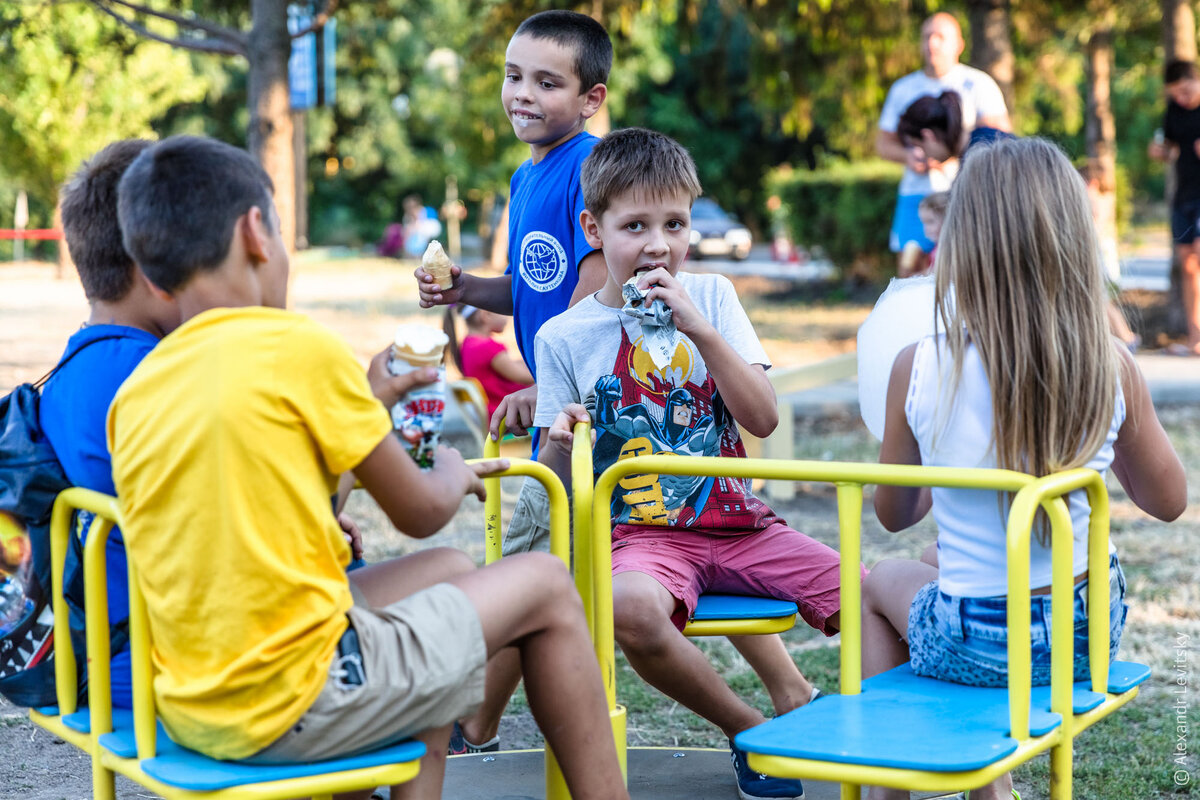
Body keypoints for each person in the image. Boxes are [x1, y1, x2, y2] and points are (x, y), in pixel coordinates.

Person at [106, 135, 628, 800]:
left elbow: (295, 505)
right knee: (549, 583)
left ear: (151, 274)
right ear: (256, 232)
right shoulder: (293, 347)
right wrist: (449, 469)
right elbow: (421, 512)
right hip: (296, 697)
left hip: (192, 701)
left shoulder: (139, 389)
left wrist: (373, 403)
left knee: (451, 574)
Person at [537, 127, 859, 800]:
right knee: (628, 608)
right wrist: (561, 443)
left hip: (741, 523)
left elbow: (763, 417)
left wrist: (701, 331)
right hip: (641, 536)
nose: (658, 244)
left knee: (873, 598)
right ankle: (751, 733)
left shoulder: (711, 297)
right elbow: (552, 482)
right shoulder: (563, 337)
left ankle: (879, 740)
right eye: (635, 226)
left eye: (675, 223)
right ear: (593, 228)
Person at [862, 137, 1186, 800]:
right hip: (1085, 632)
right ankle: (990, 791)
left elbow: (893, 515)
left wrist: (932, 452)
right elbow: (1169, 500)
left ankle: (889, 786)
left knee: (879, 581)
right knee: (935, 562)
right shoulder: (1109, 366)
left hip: (979, 643)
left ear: (962, 246)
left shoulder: (919, 366)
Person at [38, 139, 181, 710]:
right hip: (161, 667)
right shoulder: (157, 375)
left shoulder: (70, 370)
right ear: (157, 261)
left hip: (96, 660)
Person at [877, 12, 1010, 260]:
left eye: (940, 36)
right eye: (927, 36)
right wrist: (910, 156)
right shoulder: (902, 89)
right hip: (915, 194)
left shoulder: (979, 84)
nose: (932, 43)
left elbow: (1000, 141)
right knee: (909, 272)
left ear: (959, 44)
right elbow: (883, 143)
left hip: (965, 192)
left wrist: (951, 156)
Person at [1149, 59, 1200, 356]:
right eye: (1174, 93)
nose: (1181, 98)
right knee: (1188, 266)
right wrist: (1160, 152)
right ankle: (1195, 338)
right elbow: (1168, 147)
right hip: (1184, 194)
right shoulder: (1174, 111)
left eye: (1185, 90)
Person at [443, 304, 533, 420]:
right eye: (503, 311)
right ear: (486, 315)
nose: (508, 316)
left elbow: (514, 366)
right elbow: (527, 377)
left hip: (492, 416)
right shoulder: (488, 348)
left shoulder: (468, 344)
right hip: (507, 418)